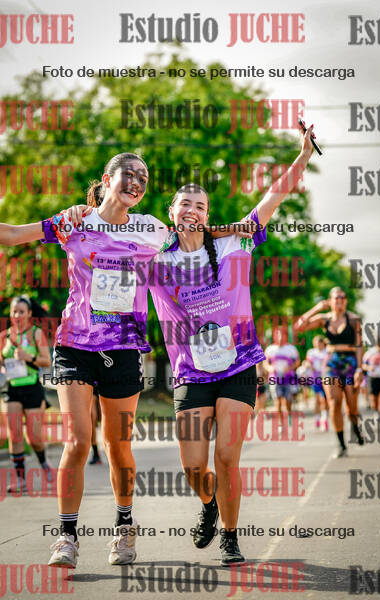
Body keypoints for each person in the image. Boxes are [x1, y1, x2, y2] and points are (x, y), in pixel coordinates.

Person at [0, 152, 254, 569]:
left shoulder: (150, 228)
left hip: (123, 349)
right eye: (129, 174)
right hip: (75, 346)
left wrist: (235, 228)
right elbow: (13, 234)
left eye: (143, 178)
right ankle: (67, 537)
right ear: (107, 178)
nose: (136, 182)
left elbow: (194, 229)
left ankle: (123, 527)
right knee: (77, 440)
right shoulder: (74, 223)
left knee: (117, 446)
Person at [149, 125, 314, 565]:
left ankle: (230, 535)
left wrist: (302, 156)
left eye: (200, 205)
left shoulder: (236, 244)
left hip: (239, 366)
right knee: (193, 465)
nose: (192, 209)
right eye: (185, 203)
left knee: (225, 457)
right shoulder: (154, 256)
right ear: (171, 210)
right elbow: (115, 231)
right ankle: (208, 505)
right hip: (190, 371)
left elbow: (273, 197)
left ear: (208, 214)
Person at [295, 288, 364, 457]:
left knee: (351, 407)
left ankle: (355, 426)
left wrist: (359, 369)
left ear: (345, 300)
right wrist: (317, 308)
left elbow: (359, 345)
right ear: (330, 301)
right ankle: (342, 445)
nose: (340, 300)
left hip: (350, 362)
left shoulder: (354, 319)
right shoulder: (323, 319)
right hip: (331, 363)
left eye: (343, 297)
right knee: (334, 402)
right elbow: (299, 327)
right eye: (336, 297)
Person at [0, 295, 52, 492]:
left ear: (29, 313)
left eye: (21, 312)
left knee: (34, 438)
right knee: (14, 435)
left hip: (32, 388)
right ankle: (20, 479)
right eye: (14, 312)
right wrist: (3, 366)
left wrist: (27, 357)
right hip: (11, 388)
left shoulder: (36, 334)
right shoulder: (4, 336)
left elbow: (46, 361)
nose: (17, 315)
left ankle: (44, 462)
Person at [265, 327, 300, 431]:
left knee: (288, 400)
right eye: (278, 335)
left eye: (282, 335)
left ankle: (288, 414)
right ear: (274, 336)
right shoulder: (270, 349)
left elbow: (297, 361)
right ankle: (280, 423)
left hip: (288, 377)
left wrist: (290, 368)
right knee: (278, 400)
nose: (280, 337)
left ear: (285, 336)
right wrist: (269, 368)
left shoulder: (291, 349)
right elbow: (265, 363)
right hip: (275, 378)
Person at [362, 337, 380, 424]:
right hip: (373, 378)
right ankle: (376, 412)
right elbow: (363, 365)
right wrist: (369, 367)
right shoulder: (369, 353)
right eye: (379, 345)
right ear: (375, 345)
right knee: (374, 401)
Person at [306, 335, 329, 431]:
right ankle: (317, 418)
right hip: (315, 378)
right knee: (317, 399)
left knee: (324, 399)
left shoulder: (327, 352)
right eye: (316, 343)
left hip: (326, 378)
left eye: (319, 343)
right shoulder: (311, 352)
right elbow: (308, 362)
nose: (318, 345)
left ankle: (324, 418)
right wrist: (308, 365)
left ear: (323, 343)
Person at [88, 386, 102, 464]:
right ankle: (95, 454)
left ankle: (115, 452)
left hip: (104, 385)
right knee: (91, 422)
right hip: (91, 388)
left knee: (107, 421)